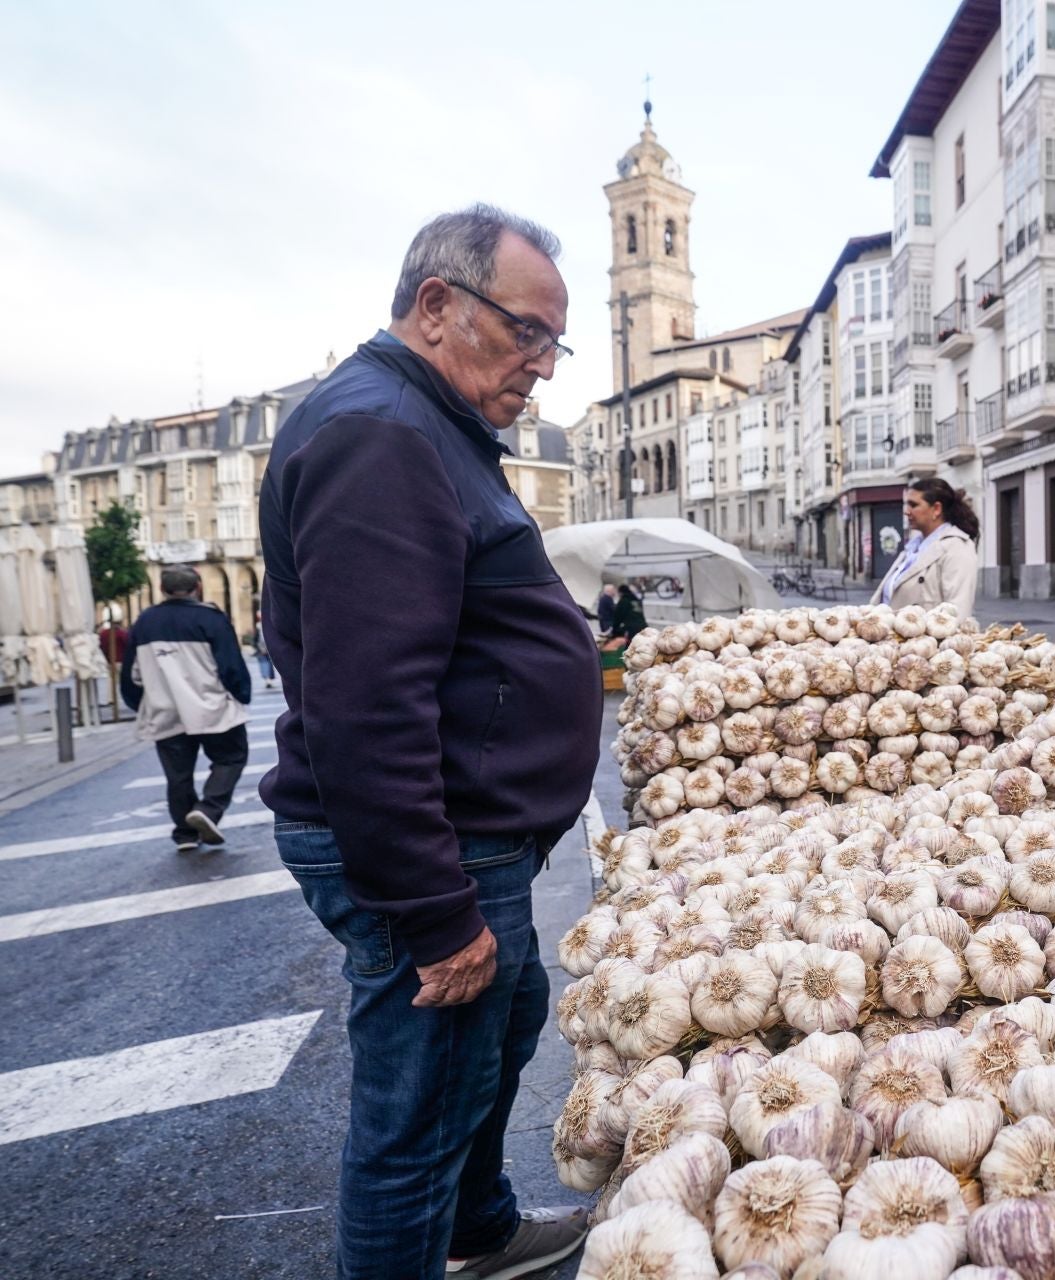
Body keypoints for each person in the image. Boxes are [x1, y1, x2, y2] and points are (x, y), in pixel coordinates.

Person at [258, 205, 601, 1279]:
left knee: (501, 1023)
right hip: (441, 841)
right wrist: (437, 912)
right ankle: (440, 1232)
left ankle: (477, 1227)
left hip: (467, 829)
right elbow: (367, 700)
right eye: (527, 331)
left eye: (555, 343)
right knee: (416, 1114)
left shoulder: (419, 424)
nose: (541, 365)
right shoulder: (384, 435)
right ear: (438, 304)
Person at [119, 566, 251, 852]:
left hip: (165, 709)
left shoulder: (144, 622)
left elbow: (131, 674)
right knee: (231, 758)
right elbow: (230, 665)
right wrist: (242, 693)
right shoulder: (211, 618)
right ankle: (209, 808)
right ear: (197, 587)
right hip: (211, 707)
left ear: (162, 589)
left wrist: (140, 703)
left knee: (177, 774)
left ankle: (185, 833)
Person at [871, 477, 981, 618]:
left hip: (925, 632)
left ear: (936, 509)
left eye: (913, 505)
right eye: (907, 505)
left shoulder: (957, 547)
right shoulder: (914, 547)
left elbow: (958, 610)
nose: (906, 511)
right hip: (891, 630)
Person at [253, 606, 277, 689]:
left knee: (267, 664)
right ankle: (267, 680)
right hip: (263, 649)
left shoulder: (263, 625)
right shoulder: (259, 626)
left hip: (267, 648)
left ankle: (268, 680)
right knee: (265, 664)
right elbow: (256, 639)